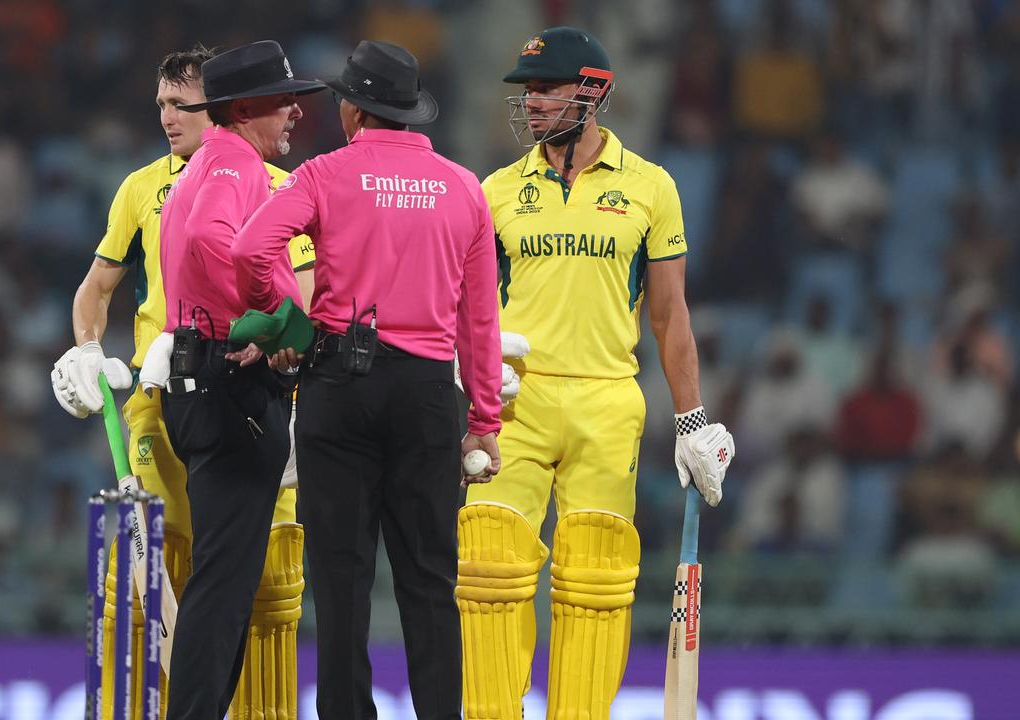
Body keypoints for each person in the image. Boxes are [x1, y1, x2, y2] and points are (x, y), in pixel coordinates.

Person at [456, 27, 735, 719]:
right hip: (515, 401)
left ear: (594, 92)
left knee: (597, 576)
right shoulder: (494, 190)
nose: (535, 102)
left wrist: (693, 420)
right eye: (529, 90)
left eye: (549, 88)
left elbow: (670, 316)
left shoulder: (650, 187)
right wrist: (471, 381)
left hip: (608, 399)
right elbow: (468, 308)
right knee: (489, 568)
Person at [233, 40, 502, 720]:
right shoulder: (464, 188)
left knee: (342, 581)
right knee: (430, 582)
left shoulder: (324, 174)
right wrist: (485, 422)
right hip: (426, 393)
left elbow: (249, 248)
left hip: (339, 385)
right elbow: (480, 319)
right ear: (407, 111)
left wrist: (289, 321)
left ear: (353, 109)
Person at [48, 47, 314, 720]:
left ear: (214, 105)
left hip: (204, 382)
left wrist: (282, 334)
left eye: (179, 104)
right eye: (160, 104)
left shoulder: (270, 181)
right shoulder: (150, 186)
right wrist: (85, 350)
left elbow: (301, 292)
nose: (166, 117)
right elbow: (97, 289)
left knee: (252, 581)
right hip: (187, 391)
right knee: (154, 577)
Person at [140, 41, 323, 720]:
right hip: (227, 385)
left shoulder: (210, 161)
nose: (296, 112)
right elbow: (220, 243)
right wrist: (274, 322)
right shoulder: (233, 163)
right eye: (283, 100)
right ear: (244, 109)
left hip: (205, 378)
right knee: (222, 583)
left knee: (226, 578)